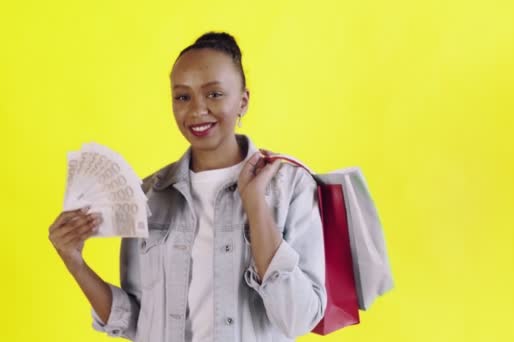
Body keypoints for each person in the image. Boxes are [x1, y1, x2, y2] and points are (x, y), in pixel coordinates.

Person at [48, 32, 326, 342]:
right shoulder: (148, 196)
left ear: (243, 101)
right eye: (183, 96)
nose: (196, 110)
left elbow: (298, 318)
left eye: (214, 94)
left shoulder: (292, 188)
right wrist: (74, 261)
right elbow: (136, 321)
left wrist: (255, 204)